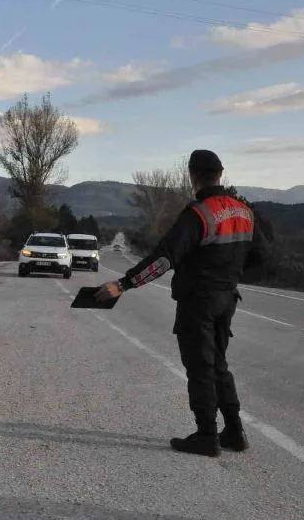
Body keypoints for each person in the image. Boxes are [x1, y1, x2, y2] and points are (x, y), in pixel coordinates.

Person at [95, 149, 269, 457]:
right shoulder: (244, 211)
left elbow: (163, 260)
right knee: (219, 364)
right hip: (227, 298)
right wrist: (229, 274)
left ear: (193, 176)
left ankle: (206, 436)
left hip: (198, 300)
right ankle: (234, 431)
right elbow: (262, 256)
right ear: (221, 173)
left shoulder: (199, 214)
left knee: (200, 366)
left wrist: (122, 285)